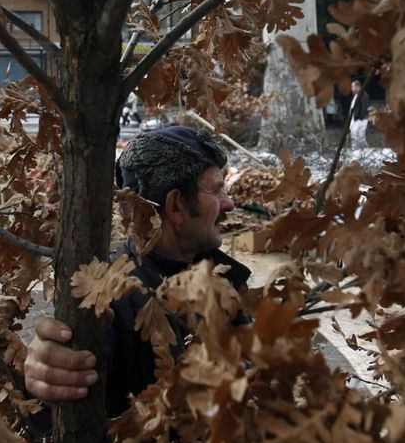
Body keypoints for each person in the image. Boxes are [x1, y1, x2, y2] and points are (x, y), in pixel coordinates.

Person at [23, 126, 250, 415]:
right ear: (176, 206)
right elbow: (71, 364)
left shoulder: (224, 276)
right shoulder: (113, 298)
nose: (229, 202)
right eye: (217, 189)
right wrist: (47, 368)